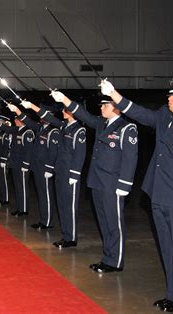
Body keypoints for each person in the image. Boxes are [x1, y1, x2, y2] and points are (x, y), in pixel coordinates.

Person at [100, 79, 173, 312]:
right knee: (167, 247)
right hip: (159, 193)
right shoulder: (165, 116)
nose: (168, 98)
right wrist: (114, 94)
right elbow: (139, 113)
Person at [51, 90, 138, 273]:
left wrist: (125, 184)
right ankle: (108, 258)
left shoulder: (126, 128)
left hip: (113, 184)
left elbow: (130, 158)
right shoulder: (101, 124)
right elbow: (84, 115)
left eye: (105, 105)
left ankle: (115, 261)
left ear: (116, 108)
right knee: (104, 222)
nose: (102, 108)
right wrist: (65, 99)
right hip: (97, 181)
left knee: (114, 223)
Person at [20, 100, 86, 248]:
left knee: (70, 207)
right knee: (62, 205)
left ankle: (72, 237)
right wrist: (29, 107)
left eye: (65, 110)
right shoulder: (64, 127)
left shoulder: (78, 130)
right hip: (60, 172)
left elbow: (79, 154)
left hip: (70, 174)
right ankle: (66, 235)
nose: (62, 112)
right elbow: (46, 118)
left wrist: (74, 175)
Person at [7, 103, 59, 230]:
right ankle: (43, 220)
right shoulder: (41, 128)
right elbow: (28, 122)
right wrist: (18, 111)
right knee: (41, 195)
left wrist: (49, 168)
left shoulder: (54, 131)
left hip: (45, 168)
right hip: (37, 167)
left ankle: (47, 222)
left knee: (46, 195)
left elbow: (53, 152)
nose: (40, 116)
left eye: (43, 114)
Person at [0, 112, 34, 216]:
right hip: (14, 163)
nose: (16, 121)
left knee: (23, 187)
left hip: (22, 164)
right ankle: (20, 208)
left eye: (18, 119)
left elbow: (28, 151)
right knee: (17, 187)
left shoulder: (28, 132)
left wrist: (26, 165)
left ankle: (24, 209)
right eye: (16, 119)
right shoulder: (16, 130)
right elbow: (5, 128)